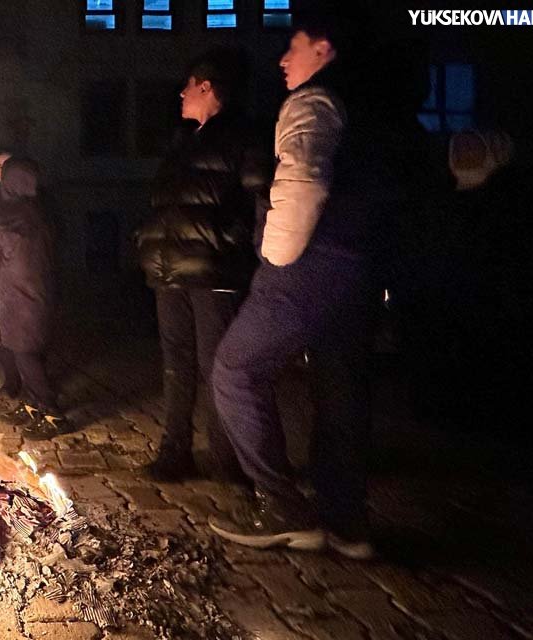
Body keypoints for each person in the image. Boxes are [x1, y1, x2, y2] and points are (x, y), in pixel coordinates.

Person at [208, 16, 410, 560]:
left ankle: (281, 505)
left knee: (234, 369)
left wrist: (274, 255)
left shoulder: (313, 102)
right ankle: (347, 524)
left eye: (292, 48)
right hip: (360, 269)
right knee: (339, 387)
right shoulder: (370, 108)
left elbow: (301, 178)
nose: (281, 60)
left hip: (308, 264)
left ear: (323, 48)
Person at [134, 50, 269, 483]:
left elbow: (259, 202)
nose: (181, 92)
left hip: (214, 273)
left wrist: (230, 247)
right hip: (170, 270)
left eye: (188, 85)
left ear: (206, 87)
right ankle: (175, 452)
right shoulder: (184, 141)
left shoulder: (243, 137)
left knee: (218, 368)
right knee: (176, 364)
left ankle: (227, 462)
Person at [0, 158, 68, 439]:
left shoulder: (0, 218)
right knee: (32, 351)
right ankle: (33, 406)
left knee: (24, 354)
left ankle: (52, 413)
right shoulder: (42, 214)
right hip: (42, 293)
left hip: (16, 296)